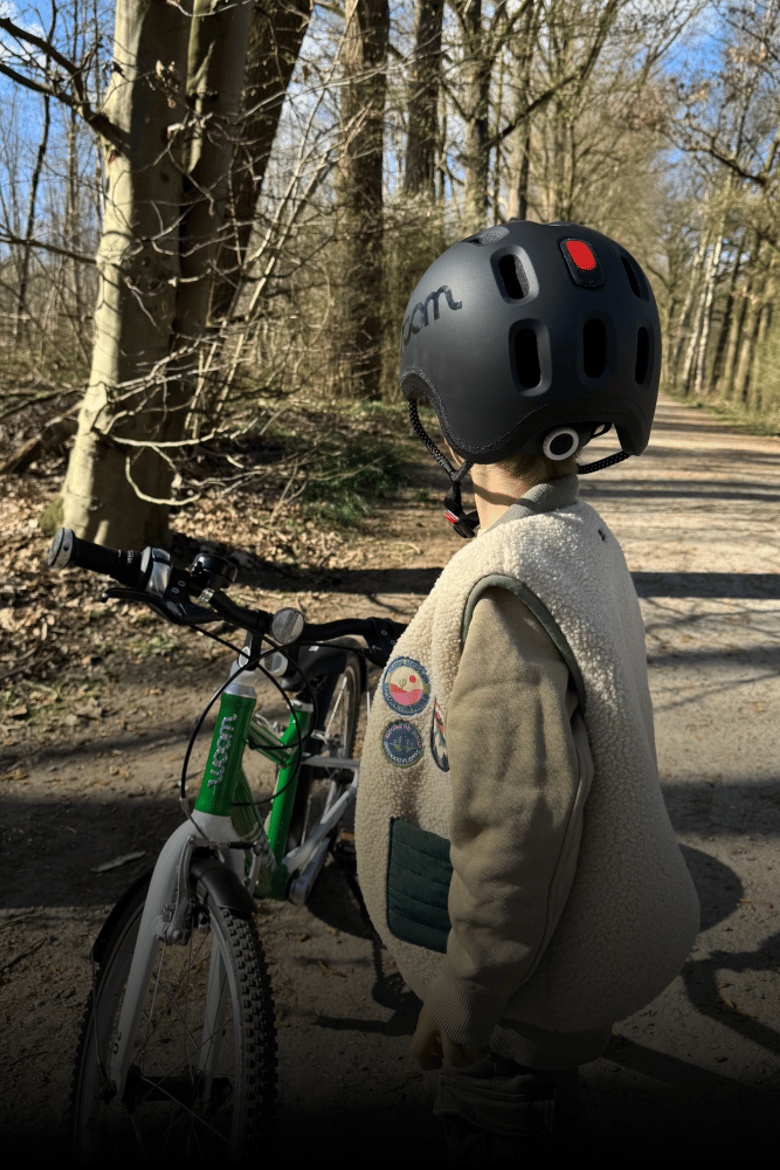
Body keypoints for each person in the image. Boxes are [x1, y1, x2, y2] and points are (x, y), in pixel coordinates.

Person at [354, 220, 700, 1166]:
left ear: (461, 404)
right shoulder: (578, 539)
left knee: (500, 1123)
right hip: (565, 952)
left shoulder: (507, 585)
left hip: (518, 1006)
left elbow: (519, 823)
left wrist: (467, 999)